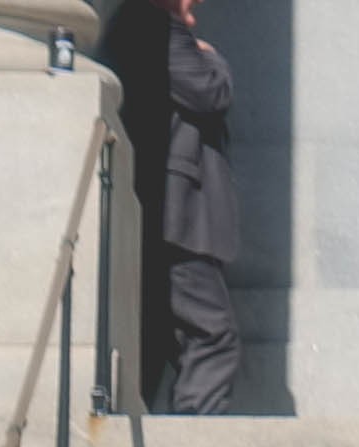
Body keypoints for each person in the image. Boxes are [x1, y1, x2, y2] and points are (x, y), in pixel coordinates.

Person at [149, 0, 237, 413]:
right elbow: (209, 91)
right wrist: (209, 55)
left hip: (175, 218)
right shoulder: (161, 31)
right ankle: (198, 437)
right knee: (212, 333)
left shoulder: (160, 33)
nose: (194, 7)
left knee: (177, 337)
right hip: (180, 218)